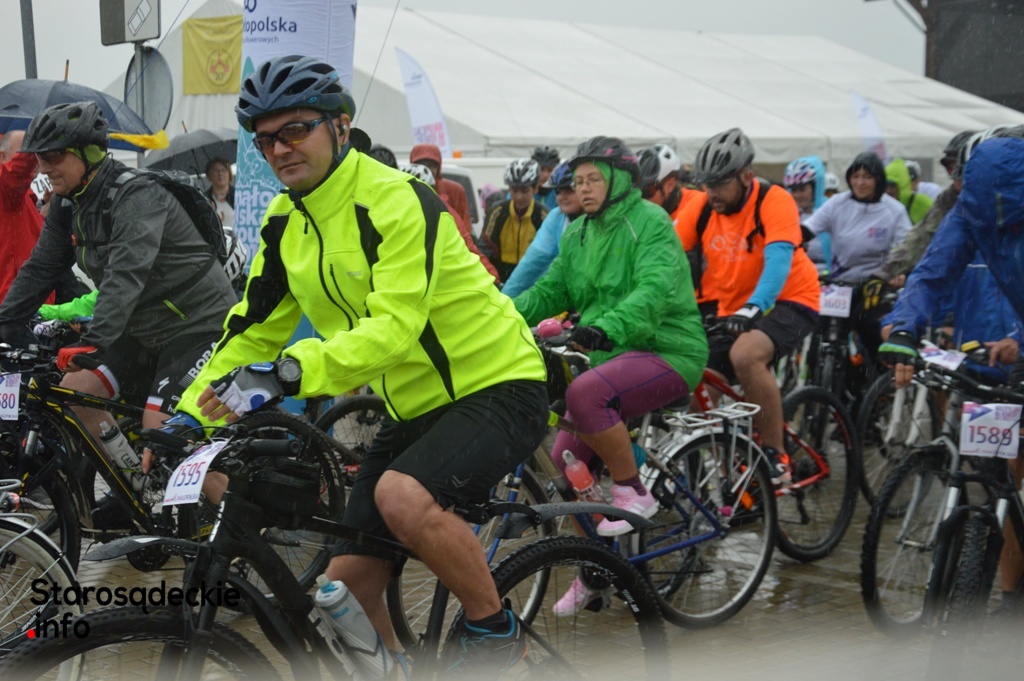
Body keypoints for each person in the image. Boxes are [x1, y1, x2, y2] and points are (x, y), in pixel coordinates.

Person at [172, 55, 548, 676]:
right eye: (266, 139)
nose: (280, 149)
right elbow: (251, 328)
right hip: (415, 404)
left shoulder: (398, 200)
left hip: (499, 381)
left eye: (296, 130)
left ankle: (496, 631)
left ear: (340, 127)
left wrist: (288, 373)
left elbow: (395, 329)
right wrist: (190, 416)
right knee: (340, 591)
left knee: (403, 497)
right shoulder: (284, 222)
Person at [0, 101, 237, 527]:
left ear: (88, 153)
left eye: (53, 155)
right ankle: (142, 491)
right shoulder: (68, 204)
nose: (43, 167)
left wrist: (94, 341)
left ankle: (241, 524)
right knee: (75, 391)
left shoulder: (138, 195)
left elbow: (126, 274)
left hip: (196, 324)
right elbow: (39, 271)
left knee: (161, 427)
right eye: (39, 157)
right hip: (142, 330)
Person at [513, 135, 707, 608]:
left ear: (620, 179)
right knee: (563, 462)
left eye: (593, 179)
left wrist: (604, 328)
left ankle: (634, 489)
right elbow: (550, 289)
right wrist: (496, 312)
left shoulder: (650, 222)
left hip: (668, 349)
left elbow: (653, 290)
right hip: (609, 356)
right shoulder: (577, 232)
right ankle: (598, 566)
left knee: (584, 395)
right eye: (577, 181)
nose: (582, 188)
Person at [878, 133, 1024, 617]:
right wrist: (904, 326)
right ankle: (1010, 599)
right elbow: (932, 271)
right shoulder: (972, 208)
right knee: (1004, 475)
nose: (998, 226)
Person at [675, 127, 821, 484]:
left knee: (746, 356)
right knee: (698, 391)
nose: (711, 193)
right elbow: (666, 256)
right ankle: (733, 476)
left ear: (746, 176)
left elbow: (779, 258)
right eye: (706, 184)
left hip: (792, 298)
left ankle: (775, 452)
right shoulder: (703, 208)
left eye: (719, 184)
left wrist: (756, 305)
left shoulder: (774, 200)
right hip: (734, 308)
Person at [802, 152, 911, 357]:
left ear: (878, 179)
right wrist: (791, 242)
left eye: (867, 177)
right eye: (856, 177)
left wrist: (896, 273)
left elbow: (905, 247)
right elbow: (809, 228)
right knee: (820, 332)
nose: (860, 183)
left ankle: (877, 371)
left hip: (875, 283)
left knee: (868, 327)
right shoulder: (837, 203)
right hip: (839, 283)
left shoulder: (894, 210)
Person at [399, 162, 500, 283]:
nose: (414, 200)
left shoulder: (444, 213)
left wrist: (492, 277)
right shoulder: (392, 216)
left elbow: (468, 248)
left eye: (420, 195)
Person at [501, 162, 581, 297]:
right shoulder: (556, 217)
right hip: (566, 295)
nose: (562, 197)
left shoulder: (599, 219)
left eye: (569, 190)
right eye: (558, 191)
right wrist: (504, 300)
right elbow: (532, 263)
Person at [479, 158, 548, 283]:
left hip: (533, 278)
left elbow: (549, 254)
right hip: (500, 277)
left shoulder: (543, 215)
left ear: (535, 189)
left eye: (525, 191)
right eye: (514, 190)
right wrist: (493, 278)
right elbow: (484, 248)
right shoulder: (498, 212)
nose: (519, 197)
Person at [0, 130, 46, 304]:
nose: (35, 159)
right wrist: (38, 133)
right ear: (2, 157)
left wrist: (46, 211)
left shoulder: (23, 197)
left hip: (25, 303)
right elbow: (16, 171)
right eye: (26, 151)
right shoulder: (7, 190)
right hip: (14, 304)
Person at [783, 155, 829, 267]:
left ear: (815, 188)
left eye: (802, 189)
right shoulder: (788, 214)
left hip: (830, 272)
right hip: (800, 271)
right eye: (794, 190)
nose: (798, 195)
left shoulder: (829, 209)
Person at [409, 143, 471, 227]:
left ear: (438, 167)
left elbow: (464, 224)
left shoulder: (455, 190)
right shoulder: (405, 190)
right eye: (422, 165)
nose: (427, 169)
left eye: (431, 165)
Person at [885, 157, 934, 224]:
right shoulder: (880, 207)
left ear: (903, 186)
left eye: (892, 186)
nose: (888, 191)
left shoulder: (924, 204)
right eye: (885, 186)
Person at [204, 157, 235, 227]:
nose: (220, 173)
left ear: (229, 174)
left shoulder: (239, 196)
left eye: (224, 170)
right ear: (209, 175)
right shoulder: (204, 199)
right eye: (215, 170)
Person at [532, 145, 560, 210]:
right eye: (541, 169)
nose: (545, 175)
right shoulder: (523, 191)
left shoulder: (560, 193)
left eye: (550, 170)